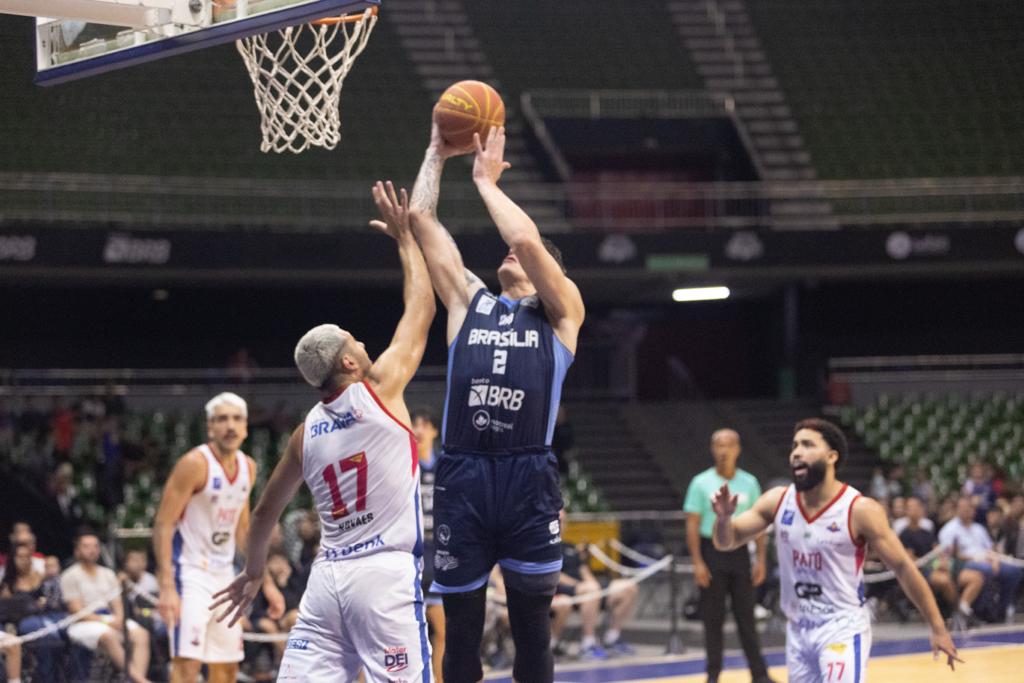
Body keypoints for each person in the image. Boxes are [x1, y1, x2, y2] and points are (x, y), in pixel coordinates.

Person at [210, 180, 435, 681]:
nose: (366, 345)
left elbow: (267, 509)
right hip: (383, 577)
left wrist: (252, 572)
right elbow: (421, 311)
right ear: (350, 361)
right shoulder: (380, 390)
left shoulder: (304, 432)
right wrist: (405, 241)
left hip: (327, 582)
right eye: (358, 342)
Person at [409, 122, 585, 683]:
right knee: (460, 631)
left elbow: (531, 242)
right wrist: (436, 154)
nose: (509, 250)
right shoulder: (469, 301)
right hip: (464, 474)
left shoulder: (562, 315)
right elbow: (421, 221)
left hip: (526, 475)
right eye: (505, 248)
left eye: (519, 251)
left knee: (532, 628)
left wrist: (486, 183)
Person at [710, 418, 960, 681]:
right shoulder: (778, 501)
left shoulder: (860, 510)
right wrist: (724, 520)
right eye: (795, 445)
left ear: (831, 456)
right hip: (798, 631)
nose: (796, 452)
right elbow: (726, 541)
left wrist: (937, 626)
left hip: (841, 627)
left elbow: (903, 567)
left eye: (807, 445)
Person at [153, 392, 282, 683]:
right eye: (222, 419)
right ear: (210, 427)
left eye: (237, 419)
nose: (230, 426)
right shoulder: (194, 463)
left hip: (226, 576)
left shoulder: (249, 466)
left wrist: (266, 581)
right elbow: (163, 523)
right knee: (187, 664)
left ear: (247, 427)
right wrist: (166, 584)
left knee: (227, 666)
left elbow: (244, 529)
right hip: (190, 573)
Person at [683, 429, 772, 683]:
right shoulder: (700, 483)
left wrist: (761, 559)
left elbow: (761, 524)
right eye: (719, 445)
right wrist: (698, 562)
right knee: (713, 618)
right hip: (711, 552)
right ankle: (713, 676)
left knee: (747, 616)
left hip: (741, 552)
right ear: (712, 449)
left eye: (729, 445)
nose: (724, 450)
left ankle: (760, 674)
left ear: (738, 449)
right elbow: (692, 524)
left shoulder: (749, 483)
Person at [61, 531, 151, 683]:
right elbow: (75, 610)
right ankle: (140, 680)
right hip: (83, 623)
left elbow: (117, 602)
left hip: (110, 618)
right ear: (77, 551)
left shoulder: (108, 573)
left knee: (141, 634)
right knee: (108, 635)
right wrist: (105, 622)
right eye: (86, 546)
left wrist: (119, 619)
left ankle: (135, 679)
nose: (92, 550)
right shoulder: (70, 575)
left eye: (95, 546)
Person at [550, 510, 637, 660]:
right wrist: (581, 586)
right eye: (557, 521)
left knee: (628, 587)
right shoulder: (546, 548)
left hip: (585, 589)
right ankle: (587, 644)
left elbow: (583, 570)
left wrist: (593, 584)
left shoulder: (571, 547)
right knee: (590, 590)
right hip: (563, 589)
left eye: (563, 521)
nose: (561, 524)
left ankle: (612, 638)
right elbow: (554, 575)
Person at [938, 496, 1022, 624]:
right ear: (957, 510)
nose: (967, 511)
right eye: (964, 508)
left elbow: (991, 549)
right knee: (987, 571)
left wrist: (994, 558)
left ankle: (1001, 609)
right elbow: (949, 555)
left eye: (970, 508)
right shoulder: (949, 529)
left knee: (1014, 571)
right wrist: (977, 559)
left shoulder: (979, 528)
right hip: (965, 563)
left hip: (987, 559)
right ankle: (980, 611)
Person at [412, 407, 445, 682]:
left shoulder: (447, 465)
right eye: (415, 425)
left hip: (440, 552)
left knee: (443, 631)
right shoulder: (404, 464)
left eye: (425, 424)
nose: (419, 429)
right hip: (413, 554)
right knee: (406, 633)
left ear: (434, 431)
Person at [897, 497, 957, 614]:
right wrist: (932, 566)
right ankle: (956, 611)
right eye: (911, 508)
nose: (915, 510)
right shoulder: (904, 535)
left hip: (934, 566)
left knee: (951, 573)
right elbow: (910, 559)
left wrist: (942, 562)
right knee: (944, 581)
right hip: (919, 571)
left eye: (917, 507)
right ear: (906, 511)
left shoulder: (927, 532)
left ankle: (955, 611)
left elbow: (937, 550)